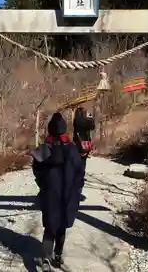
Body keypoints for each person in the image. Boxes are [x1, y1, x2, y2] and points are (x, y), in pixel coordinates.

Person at [31, 112, 86, 271]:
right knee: (62, 225)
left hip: (50, 193)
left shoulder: (44, 148)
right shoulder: (72, 149)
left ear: (50, 130)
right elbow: (79, 172)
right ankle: (58, 255)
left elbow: (36, 170)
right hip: (68, 194)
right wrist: (77, 188)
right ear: (64, 129)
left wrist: (42, 184)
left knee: (50, 226)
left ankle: (46, 257)